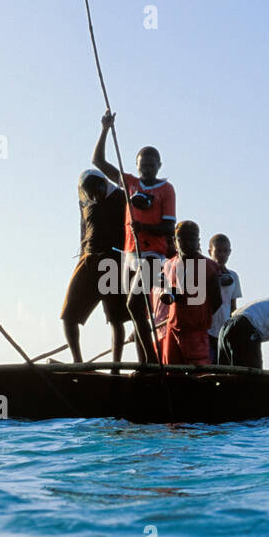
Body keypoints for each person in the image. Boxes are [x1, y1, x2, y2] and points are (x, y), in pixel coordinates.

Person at [92, 110, 176, 364]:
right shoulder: (130, 183)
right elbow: (98, 161)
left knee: (134, 304)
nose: (147, 169)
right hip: (131, 256)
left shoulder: (166, 189)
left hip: (152, 255)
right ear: (137, 165)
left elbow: (168, 228)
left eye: (152, 165)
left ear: (159, 166)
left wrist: (143, 227)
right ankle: (146, 359)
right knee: (140, 310)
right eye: (143, 165)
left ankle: (150, 360)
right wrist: (105, 129)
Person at [61, 168, 130, 363]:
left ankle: (116, 364)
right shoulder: (84, 202)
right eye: (89, 192)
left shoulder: (120, 197)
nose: (94, 195)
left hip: (113, 260)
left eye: (96, 190)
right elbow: (84, 229)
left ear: (103, 184)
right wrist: (83, 253)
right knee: (69, 315)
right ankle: (78, 361)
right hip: (88, 259)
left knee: (115, 318)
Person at [158, 221, 223, 365]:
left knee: (199, 376)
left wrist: (199, 315)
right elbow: (168, 292)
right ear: (175, 241)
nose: (187, 242)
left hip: (196, 332)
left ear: (198, 241)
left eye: (192, 239)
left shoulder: (209, 266)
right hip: (173, 328)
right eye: (183, 239)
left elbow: (217, 300)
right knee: (171, 374)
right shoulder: (169, 265)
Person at [207, 233, 242, 364]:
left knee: (224, 366)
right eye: (218, 251)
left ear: (230, 252)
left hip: (224, 330)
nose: (222, 255)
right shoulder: (203, 273)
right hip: (206, 330)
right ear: (210, 251)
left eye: (225, 251)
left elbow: (233, 306)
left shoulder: (233, 276)